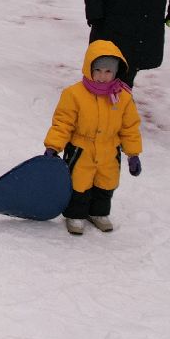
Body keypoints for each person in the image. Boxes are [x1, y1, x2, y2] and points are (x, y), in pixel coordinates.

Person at [44, 40, 143, 235]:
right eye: (97, 70)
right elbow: (63, 123)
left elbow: (129, 127)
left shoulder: (122, 97)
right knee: (79, 184)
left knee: (106, 184)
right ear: (89, 68)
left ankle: (98, 213)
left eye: (108, 71)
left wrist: (133, 154)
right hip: (81, 150)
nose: (102, 76)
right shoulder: (74, 94)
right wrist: (53, 147)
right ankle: (75, 215)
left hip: (109, 151)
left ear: (116, 72)